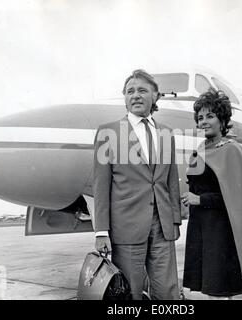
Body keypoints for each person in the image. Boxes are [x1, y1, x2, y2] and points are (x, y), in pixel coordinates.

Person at [93, 69, 182, 300]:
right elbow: (101, 185)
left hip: (162, 225)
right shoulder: (108, 132)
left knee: (167, 290)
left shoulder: (166, 133)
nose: (136, 95)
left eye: (142, 90)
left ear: (155, 96)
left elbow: (171, 179)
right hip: (126, 226)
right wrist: (101, 231)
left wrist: (174, 219)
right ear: (124, 98)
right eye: (130, 91)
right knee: (130, 292)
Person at [181, 88, 242, 299]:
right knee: (212, 287)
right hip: (202, 226)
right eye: (201, 117)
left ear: (222, 120)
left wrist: (199, 199)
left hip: (223, 229)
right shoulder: (201, 149)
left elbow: (235, 199)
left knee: (223, 287)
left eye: (210, 116)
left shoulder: (232, 150)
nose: (204, 121)